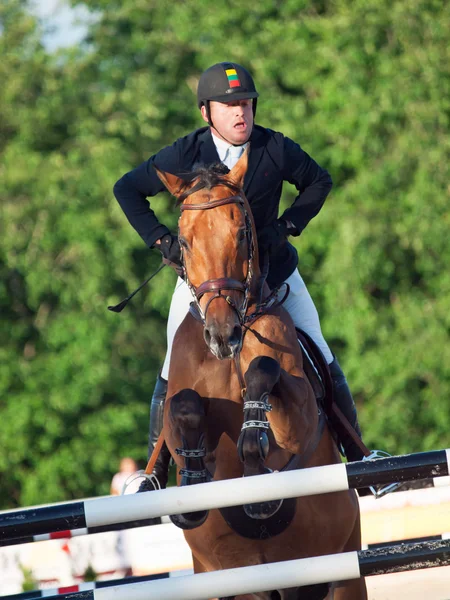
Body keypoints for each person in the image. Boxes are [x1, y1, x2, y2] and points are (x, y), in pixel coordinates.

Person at [113, 62, 393, 496]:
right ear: (207, 113)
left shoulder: (274, 148)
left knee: (319, 347)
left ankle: (359, 458)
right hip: (204, 283)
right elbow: (125, 189)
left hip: (273, 275)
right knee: (172, 364)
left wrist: (287, 226)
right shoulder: (184, 154)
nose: (240, 113)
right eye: (228, 106)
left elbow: (319, 181)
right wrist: (163, 243)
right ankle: (154, 468)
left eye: (244, 103)